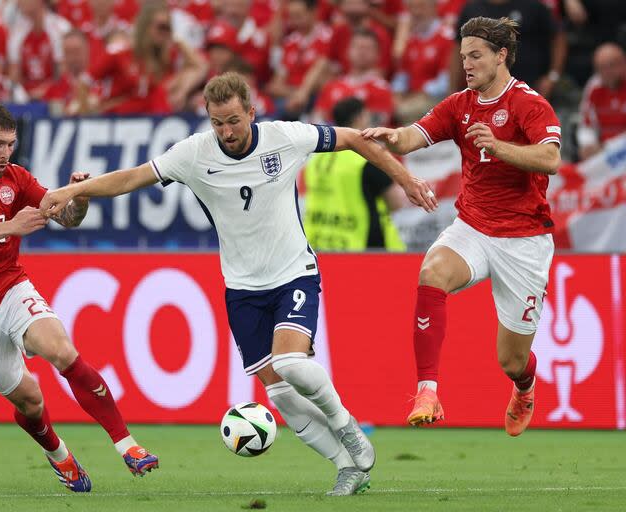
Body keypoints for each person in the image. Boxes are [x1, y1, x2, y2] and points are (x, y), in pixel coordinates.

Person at [40, 71, 437, 496]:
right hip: (242, 289)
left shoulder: (284, 137)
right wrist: (70, 191)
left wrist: (407, 180)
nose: (226, 131)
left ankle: (346, 425)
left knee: (289, 364)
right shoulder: (193, 153)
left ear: (251, 111)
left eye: (233, 120)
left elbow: (356, 138)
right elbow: (133, 177)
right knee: (281, 396)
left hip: (293, 274)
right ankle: (347, 466)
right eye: (217, 122)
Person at [0, 103, 158, 492]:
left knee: (61, 350)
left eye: (11, 144)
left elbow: (64, 217)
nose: (5, 153)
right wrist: (13, 224)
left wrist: (78, 202)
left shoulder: (15, 178)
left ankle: (128, 445)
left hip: (11, 286)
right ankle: (58, 454)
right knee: (31, 402)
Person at [363, 16, 562, 436]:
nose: (467, 65)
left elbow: (551, 160)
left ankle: (524, 388)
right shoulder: (459, 105)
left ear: (501, 56)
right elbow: (414, 136)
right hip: (472, 226)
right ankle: (427, 391)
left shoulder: (530, 104)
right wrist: (390, 137)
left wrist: (499, 146)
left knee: (510, 361)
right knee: (432, 272)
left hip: (523, 240)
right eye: (463, 57)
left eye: (476, 56)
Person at [304, 97, 407, 251]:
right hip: (362, 246)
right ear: (360, 117)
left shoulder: (316, 158)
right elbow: (396, 202)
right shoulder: (367, 157)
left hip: (319, 243)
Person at [577, 43, 626, 160]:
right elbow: (586, 124)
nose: (607, 72)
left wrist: (607, 147)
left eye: (611, 66)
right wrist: (588, 144)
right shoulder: (594, 86)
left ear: (623, 63)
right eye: (601, 68)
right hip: (604, 154)